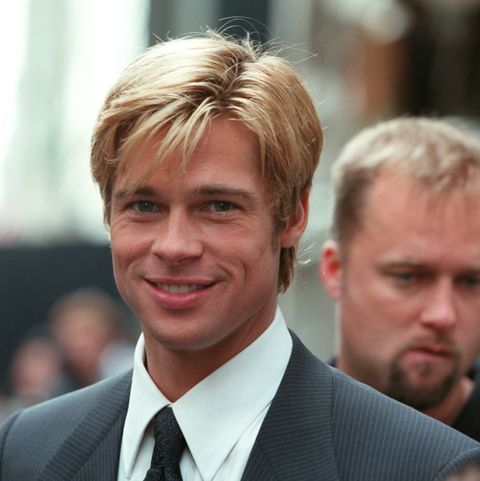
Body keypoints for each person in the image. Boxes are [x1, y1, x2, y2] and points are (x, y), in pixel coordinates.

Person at [1, 33, 479, 481]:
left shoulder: (425, 467)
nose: (174, 245)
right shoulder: (25, 450)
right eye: (144, 206)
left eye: (218, 207)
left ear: (292, 215)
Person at [320, 117, 480, 441]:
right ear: (336, 270)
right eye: (408, 277)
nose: (443, 315)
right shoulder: (264, 437)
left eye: (470, 282)